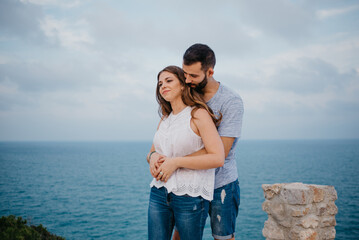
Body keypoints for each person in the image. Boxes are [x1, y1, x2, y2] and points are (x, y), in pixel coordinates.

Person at [157, 44, 244, 240]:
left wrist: (175, 161)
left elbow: (220, 151)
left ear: (210, 71)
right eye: (185, 74)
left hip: (221, 184)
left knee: (223, 238)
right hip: (189, 183)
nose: (187, 80)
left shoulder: (231, 102)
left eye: (193, 76)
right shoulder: (188, 92)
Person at [147, 65, 225, 240]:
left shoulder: (198, 114)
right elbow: (152, 152)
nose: (163, 86)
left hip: (190, 195)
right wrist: (152, 158)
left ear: (183, 84)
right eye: (160, 84)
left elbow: (218, 157)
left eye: (168, 81)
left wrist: (175, 162)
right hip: (159, 192)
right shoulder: (165, 119)